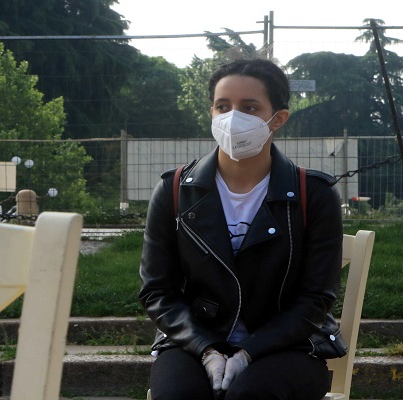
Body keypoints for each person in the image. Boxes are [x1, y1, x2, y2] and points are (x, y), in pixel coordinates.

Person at [138, 58, 343, 400]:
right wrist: (206, 349)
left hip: (288, 347)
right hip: (192, 342)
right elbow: (157, 292)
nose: (233, 118)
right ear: (211, 113)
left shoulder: (314, 195)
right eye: (223, 106)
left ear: (278, 119)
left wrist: (249, 351)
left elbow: (316, 298)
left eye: (249, 107)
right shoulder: (174, 191)